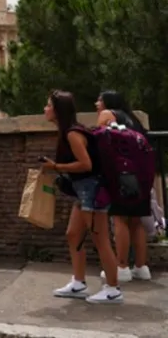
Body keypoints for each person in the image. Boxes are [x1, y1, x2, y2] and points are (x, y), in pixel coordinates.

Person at [42, 90, 122, 304]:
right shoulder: (67, 132)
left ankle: (113, 289)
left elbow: (86, 164)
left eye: (49, 105)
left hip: (92, 189)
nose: (45, 109)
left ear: (58, 111)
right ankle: (78, 283)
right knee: (73, 234)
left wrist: (55, 166)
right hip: (83, 190)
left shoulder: (72, 134)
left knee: (100, 237)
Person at [95, 91, 153, 283]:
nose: (96, 104)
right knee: (136, 222)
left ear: (108, 103)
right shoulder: (133, 119)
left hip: (122, 176)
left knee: (120, 220)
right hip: (142, 176)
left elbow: (98, 140)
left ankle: (121, 267)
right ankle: (141, 267)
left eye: (99, 100)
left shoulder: (107, 115)